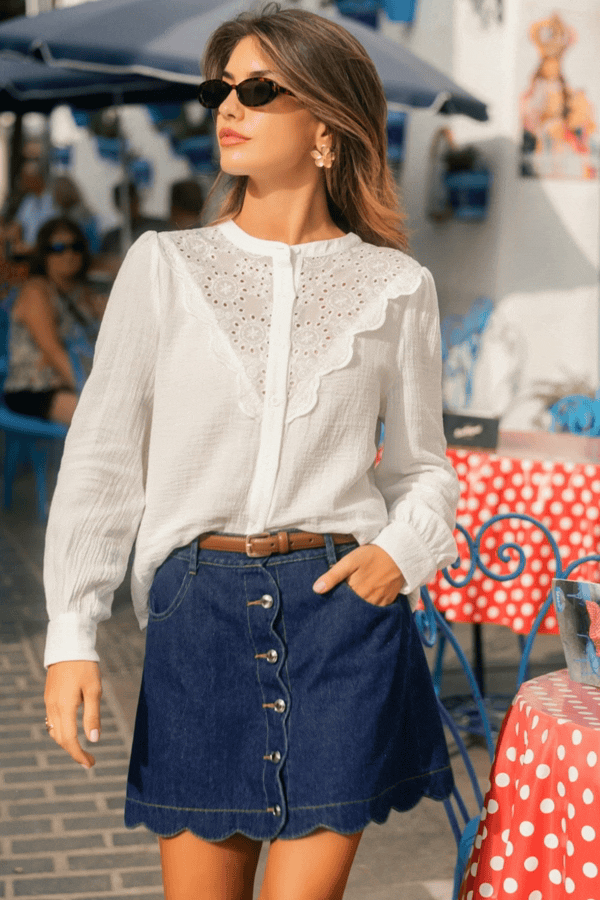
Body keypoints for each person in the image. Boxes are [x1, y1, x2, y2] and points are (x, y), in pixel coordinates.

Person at [43, 6, 460, 899]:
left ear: (328, 126)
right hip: (200, 614)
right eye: (219, 88)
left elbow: (423, 465)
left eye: (259, 89)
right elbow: (105, 455)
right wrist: (72, 629)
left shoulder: (398, 286)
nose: (228, 106)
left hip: (341, 613)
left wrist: (400, 551)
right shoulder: (165, 266)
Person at [3, 217, 104, 425]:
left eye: (75, 246)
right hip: (36, 388)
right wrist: (94, 392)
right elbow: (52, 351)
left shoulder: (87, 294)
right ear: (44, 253)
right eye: (58, 247)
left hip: (81, 381)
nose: (69, 254)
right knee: (104, 418)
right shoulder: (36, 291)